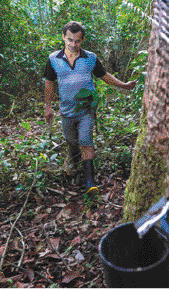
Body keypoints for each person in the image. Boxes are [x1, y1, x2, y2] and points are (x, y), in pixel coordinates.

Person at [44, 21, 136, 195]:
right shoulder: (53, 59)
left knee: (86, 141)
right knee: (72, 141)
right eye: (70, 40)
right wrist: (48, 107)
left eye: (77, 41)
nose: (73, 44)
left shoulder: (90, 58)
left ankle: (90, 182)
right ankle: (74, 165)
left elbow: (104, 75)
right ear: (63, 37)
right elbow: (49, 83)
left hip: (86, 109)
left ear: (82, 40)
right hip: (66, 111)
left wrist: (123, 85)